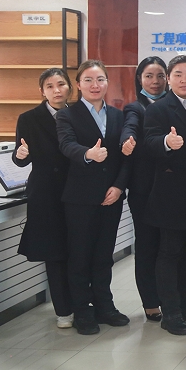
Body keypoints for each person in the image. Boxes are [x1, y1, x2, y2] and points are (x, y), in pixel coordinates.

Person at [56, 60, 131, 335]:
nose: (95, 85)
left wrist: (119, 187)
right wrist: (88, 154)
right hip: (80, 198)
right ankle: (82, 311)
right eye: (88, 80)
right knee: (80, 256)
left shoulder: (118, 116)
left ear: (107, 83)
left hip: (111, 196)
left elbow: (126, 156)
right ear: (78, 84)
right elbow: (66, 145)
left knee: (103, 256)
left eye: (100, 79)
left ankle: (104, 306)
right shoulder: (67, 115)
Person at [144, 55, 186, 335]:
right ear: (168, 78)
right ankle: (170, 313)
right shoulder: (158, 109)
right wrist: (166, 142)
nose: (184, 80)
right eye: (178, 74)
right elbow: (148, 142)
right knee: (170, 253)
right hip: (170, 194)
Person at [13, 68, 73, 329]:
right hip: (47, 194)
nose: (56, 90)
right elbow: (18, 158)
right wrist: (21, 155)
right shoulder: (29, 118)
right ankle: (64, 311)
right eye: (50, 86)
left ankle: (83, 304)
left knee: (79, 251)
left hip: (76, 190)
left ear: (70, 87)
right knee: (55, 253)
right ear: (42, 91)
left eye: (61, 84)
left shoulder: (79, 114)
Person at [119, 56, 167, 323]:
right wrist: (127, 140)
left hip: (173, 189)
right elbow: (130, 127)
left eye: (160, 75)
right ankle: (150, 302)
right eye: (149, 76)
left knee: (171, 247)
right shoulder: (135, 108)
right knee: (148, 246)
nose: (155, 81)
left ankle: (173, 298)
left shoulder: (176, 105)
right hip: (145, 191)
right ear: (139, 79)